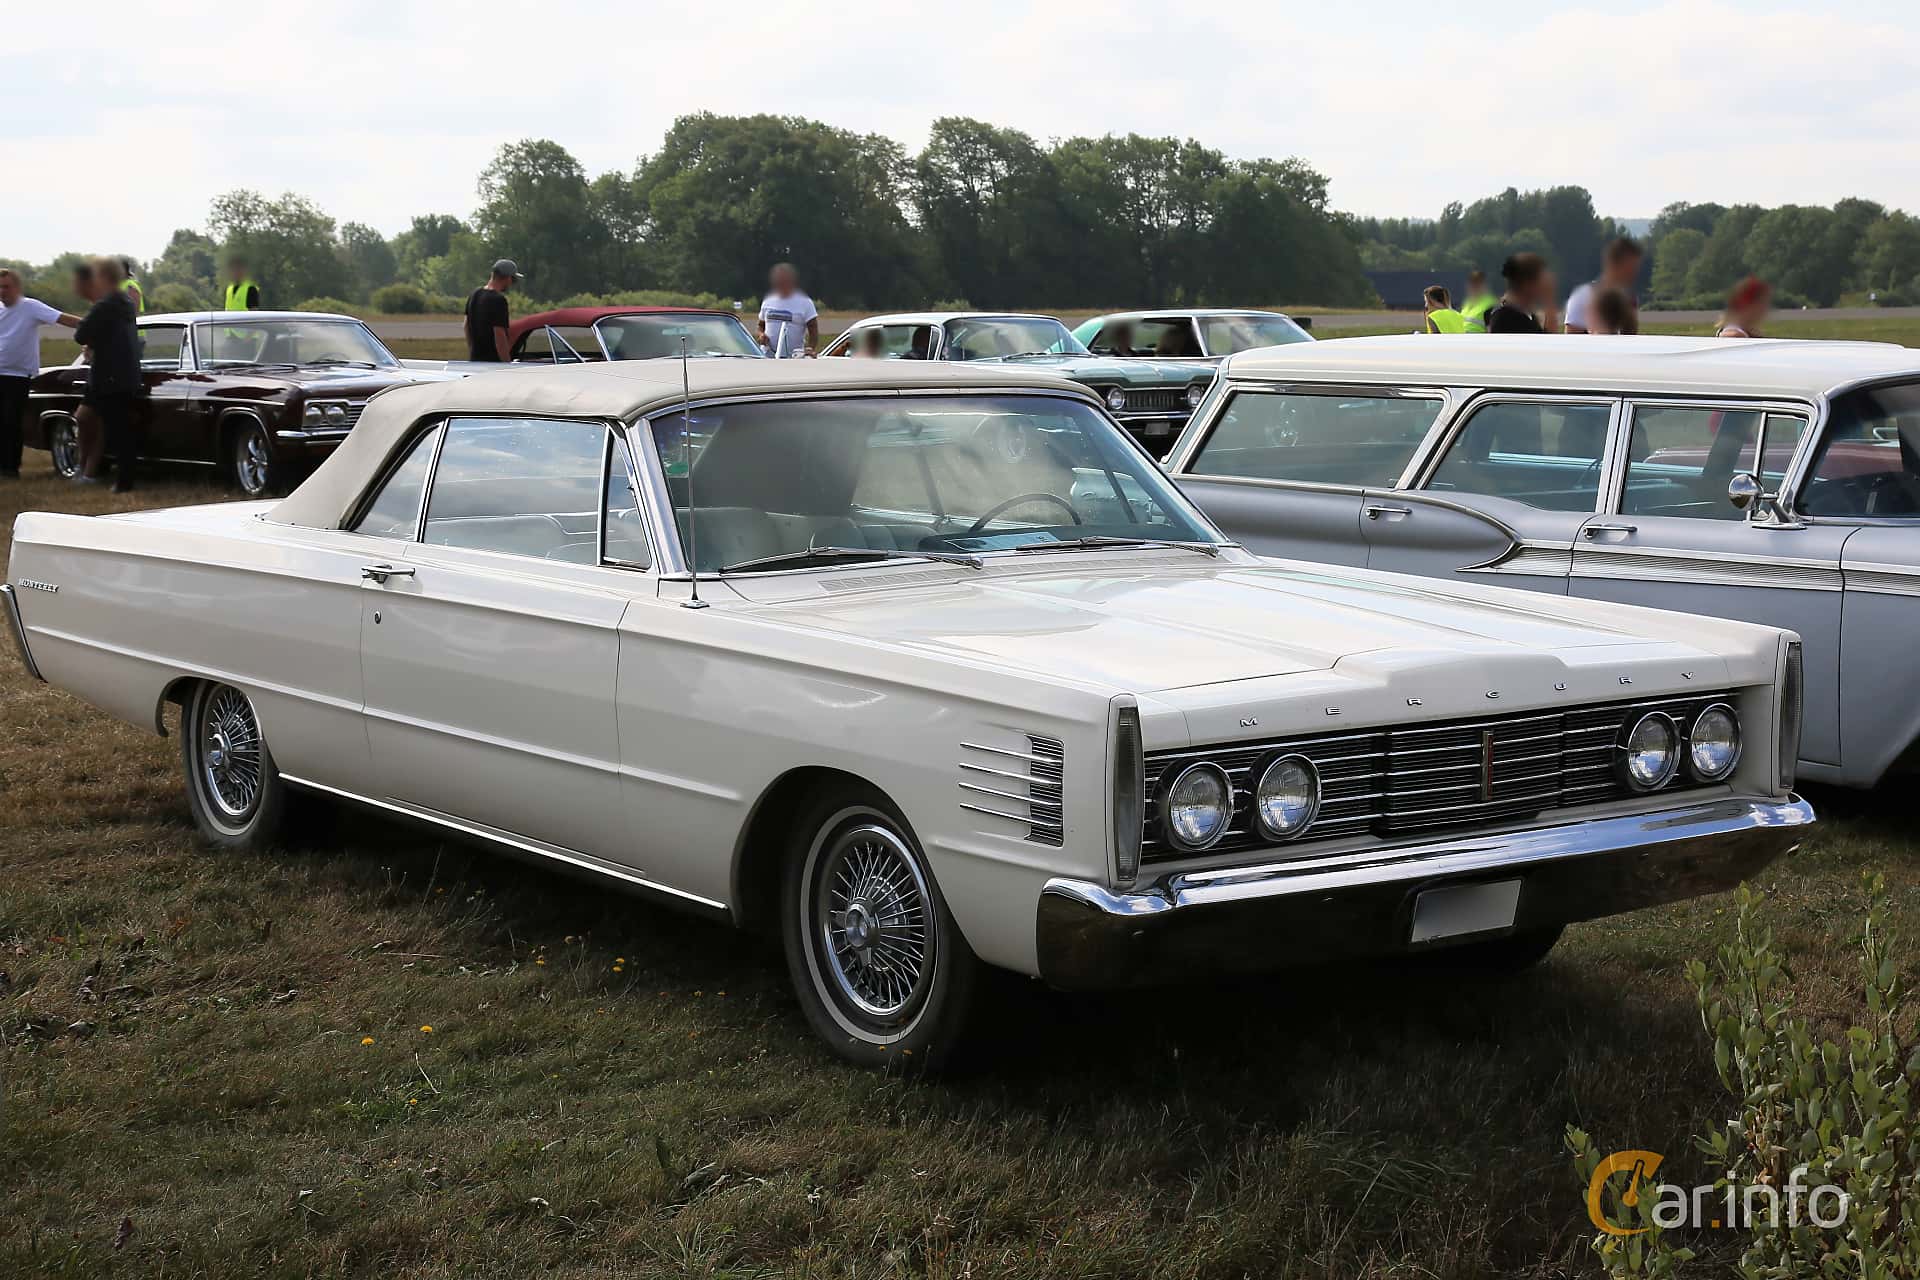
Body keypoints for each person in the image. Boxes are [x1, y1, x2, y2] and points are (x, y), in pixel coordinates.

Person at [0, 269, 83, 478]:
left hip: (17, 375)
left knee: (11, 420)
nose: (2, 292)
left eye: (6, 287)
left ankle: (10, 468)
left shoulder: (29, 307)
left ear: (17, 288)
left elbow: (63, 319)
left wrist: (96, 326)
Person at [73, 256, 142, 492]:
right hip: (123, 373)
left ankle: (122, 481)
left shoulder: (107, 304)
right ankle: (93, 472)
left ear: (103, 278)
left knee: (117, 429)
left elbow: (81, 334)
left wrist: (93, 340)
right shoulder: (123, 301)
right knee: (102, 422)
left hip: (110, 375)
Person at [1565, 237, 1643, 334]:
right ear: (1613, 264)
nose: (1634, 274)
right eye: (1630, 268)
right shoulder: (1582, 297)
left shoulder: (1630, 298)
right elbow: (1571, 342)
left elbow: (1630, 337)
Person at [1485, 253, 1560, 334]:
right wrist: (1549, 299)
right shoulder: (1510, 318)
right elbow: (1547, 343)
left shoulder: (1520, 313)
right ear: (1527, 283)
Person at [756, 263, 818, 358]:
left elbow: (813, 328)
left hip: (793, 358)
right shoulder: (768, 300)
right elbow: (761, 325)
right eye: (779, 280)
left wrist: (810, 348)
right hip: (767, 356)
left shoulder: (805, 302)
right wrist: (761, 335)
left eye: (785, 280)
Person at [464, 259, 519, 362]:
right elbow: (499, 336)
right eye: (513, 279)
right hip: (492, 363)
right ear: (507, 278)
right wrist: (507, 365)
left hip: (475, 360)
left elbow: (466, 326)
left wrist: (473, 351)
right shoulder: (498, 300)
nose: (511, 283)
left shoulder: (475, 294)